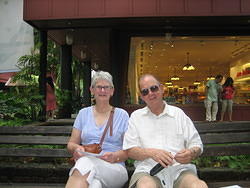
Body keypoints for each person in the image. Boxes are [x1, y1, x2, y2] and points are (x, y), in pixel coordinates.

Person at [123, 74, 208, 188]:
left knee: (199, 186)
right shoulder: (136, 117)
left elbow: (197, 144)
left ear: (162, 89)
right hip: (148, 171)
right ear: (142, 97)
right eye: (145, 91)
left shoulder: (178, 114)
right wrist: (152, 153)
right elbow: (130, 150)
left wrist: (190, 153)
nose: (150, 93)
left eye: (154, 88)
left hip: (179, 169)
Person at [65, 71, 129, 188]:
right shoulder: (83, 114)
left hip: (115, 168)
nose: (103, 90)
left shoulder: (122, 115)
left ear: (112, 91)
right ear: (92, 90)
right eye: (99, 87)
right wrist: (77, 148)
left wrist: (115, 156)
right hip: (88, 166)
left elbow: (129, 150)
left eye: (106, 87)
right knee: (94, 184)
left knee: (85, 163)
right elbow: (71, 144)